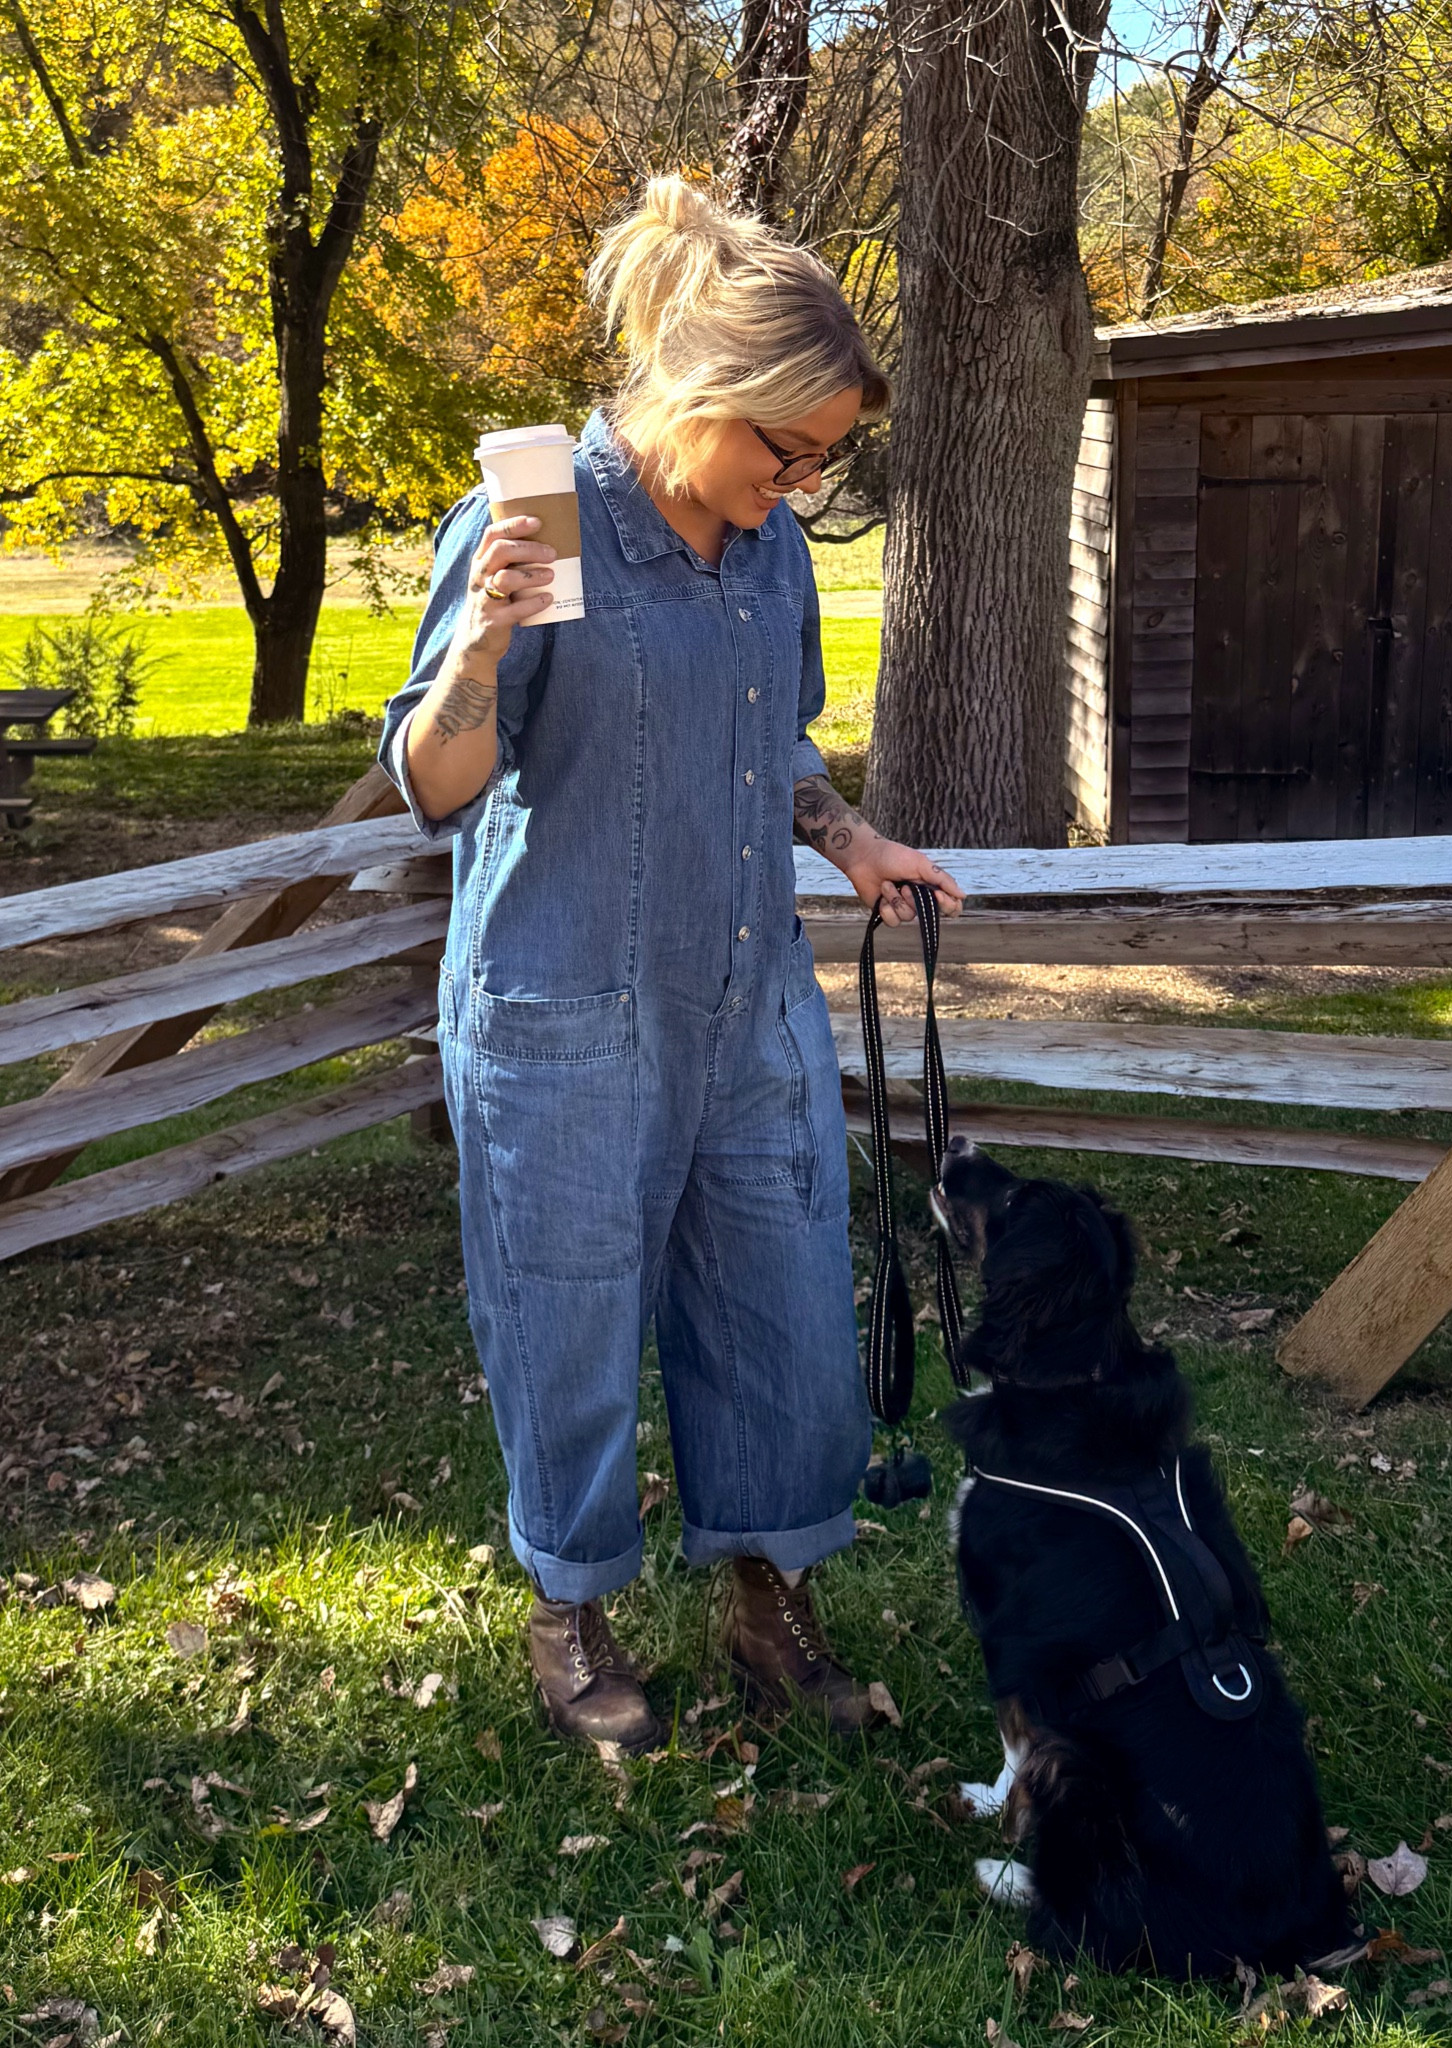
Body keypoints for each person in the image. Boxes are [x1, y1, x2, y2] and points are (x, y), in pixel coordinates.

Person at [378, 175, 962, 1753]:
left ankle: (769, 1597)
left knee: (781, 1302)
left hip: (744, 1003)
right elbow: (437, 783)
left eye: (828, 458)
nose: (807, 482)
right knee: (565, 1318)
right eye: (791, 448)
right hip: (563, 1008)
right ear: (709, 398)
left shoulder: (769, 554)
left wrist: (848, 839)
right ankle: (570, 1615)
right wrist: (487, 646)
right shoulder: (547, 520)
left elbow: (775, 742)